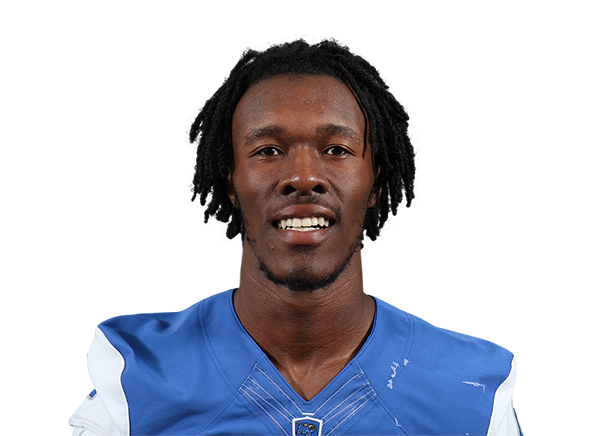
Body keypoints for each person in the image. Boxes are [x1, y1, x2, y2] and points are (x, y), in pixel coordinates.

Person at [71, 42, 519, 435]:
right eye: (268, 150)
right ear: (231, 184)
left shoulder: (474, 391)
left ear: (375, 184)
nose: (303, 178)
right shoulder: (134, 373)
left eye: (337, 150)